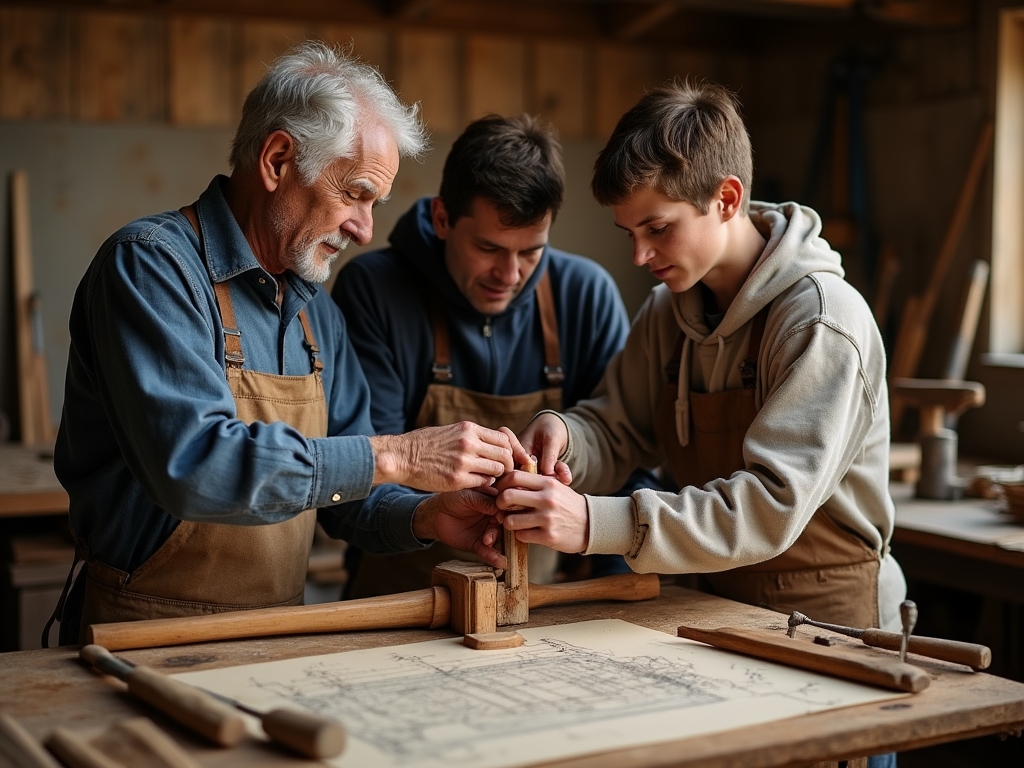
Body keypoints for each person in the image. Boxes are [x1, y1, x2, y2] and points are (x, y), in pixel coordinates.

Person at [48, 42, 525, 646]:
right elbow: (195, 467)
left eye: (374, 204)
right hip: (138, 640)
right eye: (353, 193)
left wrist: (429, 515)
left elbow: (348, 501)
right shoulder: (151, 268)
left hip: (276, 637)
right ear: (277, 160)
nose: (365, 228)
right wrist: (397, 456)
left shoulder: (315, 313)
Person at [495, 81, 907, 635]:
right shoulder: (666, 312)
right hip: (710, 596)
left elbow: (768, 507)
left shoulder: (821, 321)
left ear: (727, 199)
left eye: (658, 229)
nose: (640, 255)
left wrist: (595, 522)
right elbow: (619, 429)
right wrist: (566, 434)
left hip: (827, 612)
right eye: (630, 233)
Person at [333, 114, 656, 598]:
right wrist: (429, 513)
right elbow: (350, 488)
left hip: (543, 607)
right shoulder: (374, 291)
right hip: (395, 604)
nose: (509, 273)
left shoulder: (586, 296)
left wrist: (606, 595)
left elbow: (631, 469)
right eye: (489, 248)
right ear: (442, 219)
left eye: (531, 252)